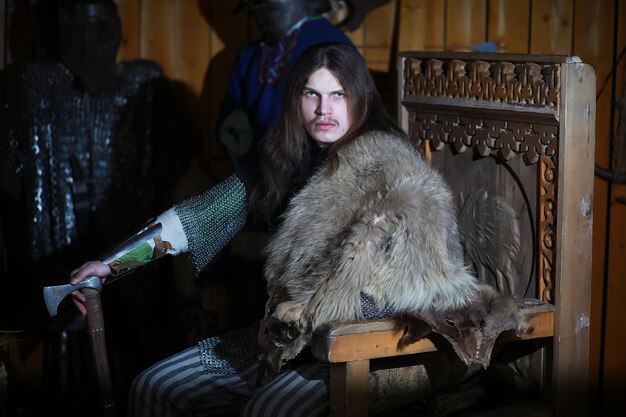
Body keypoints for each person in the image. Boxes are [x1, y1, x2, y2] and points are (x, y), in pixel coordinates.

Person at [69, 43, 478, 416]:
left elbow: (412, 288)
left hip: (356, 347)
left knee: (269, 412)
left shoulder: (392, 166)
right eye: (311, 94)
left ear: (360, 99)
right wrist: (111, 266)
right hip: (277, 341)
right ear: (296, 100)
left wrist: (303, 324)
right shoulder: (283, 157)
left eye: (338, 95)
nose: (324, 110)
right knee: (153, 388)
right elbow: (201, 217)